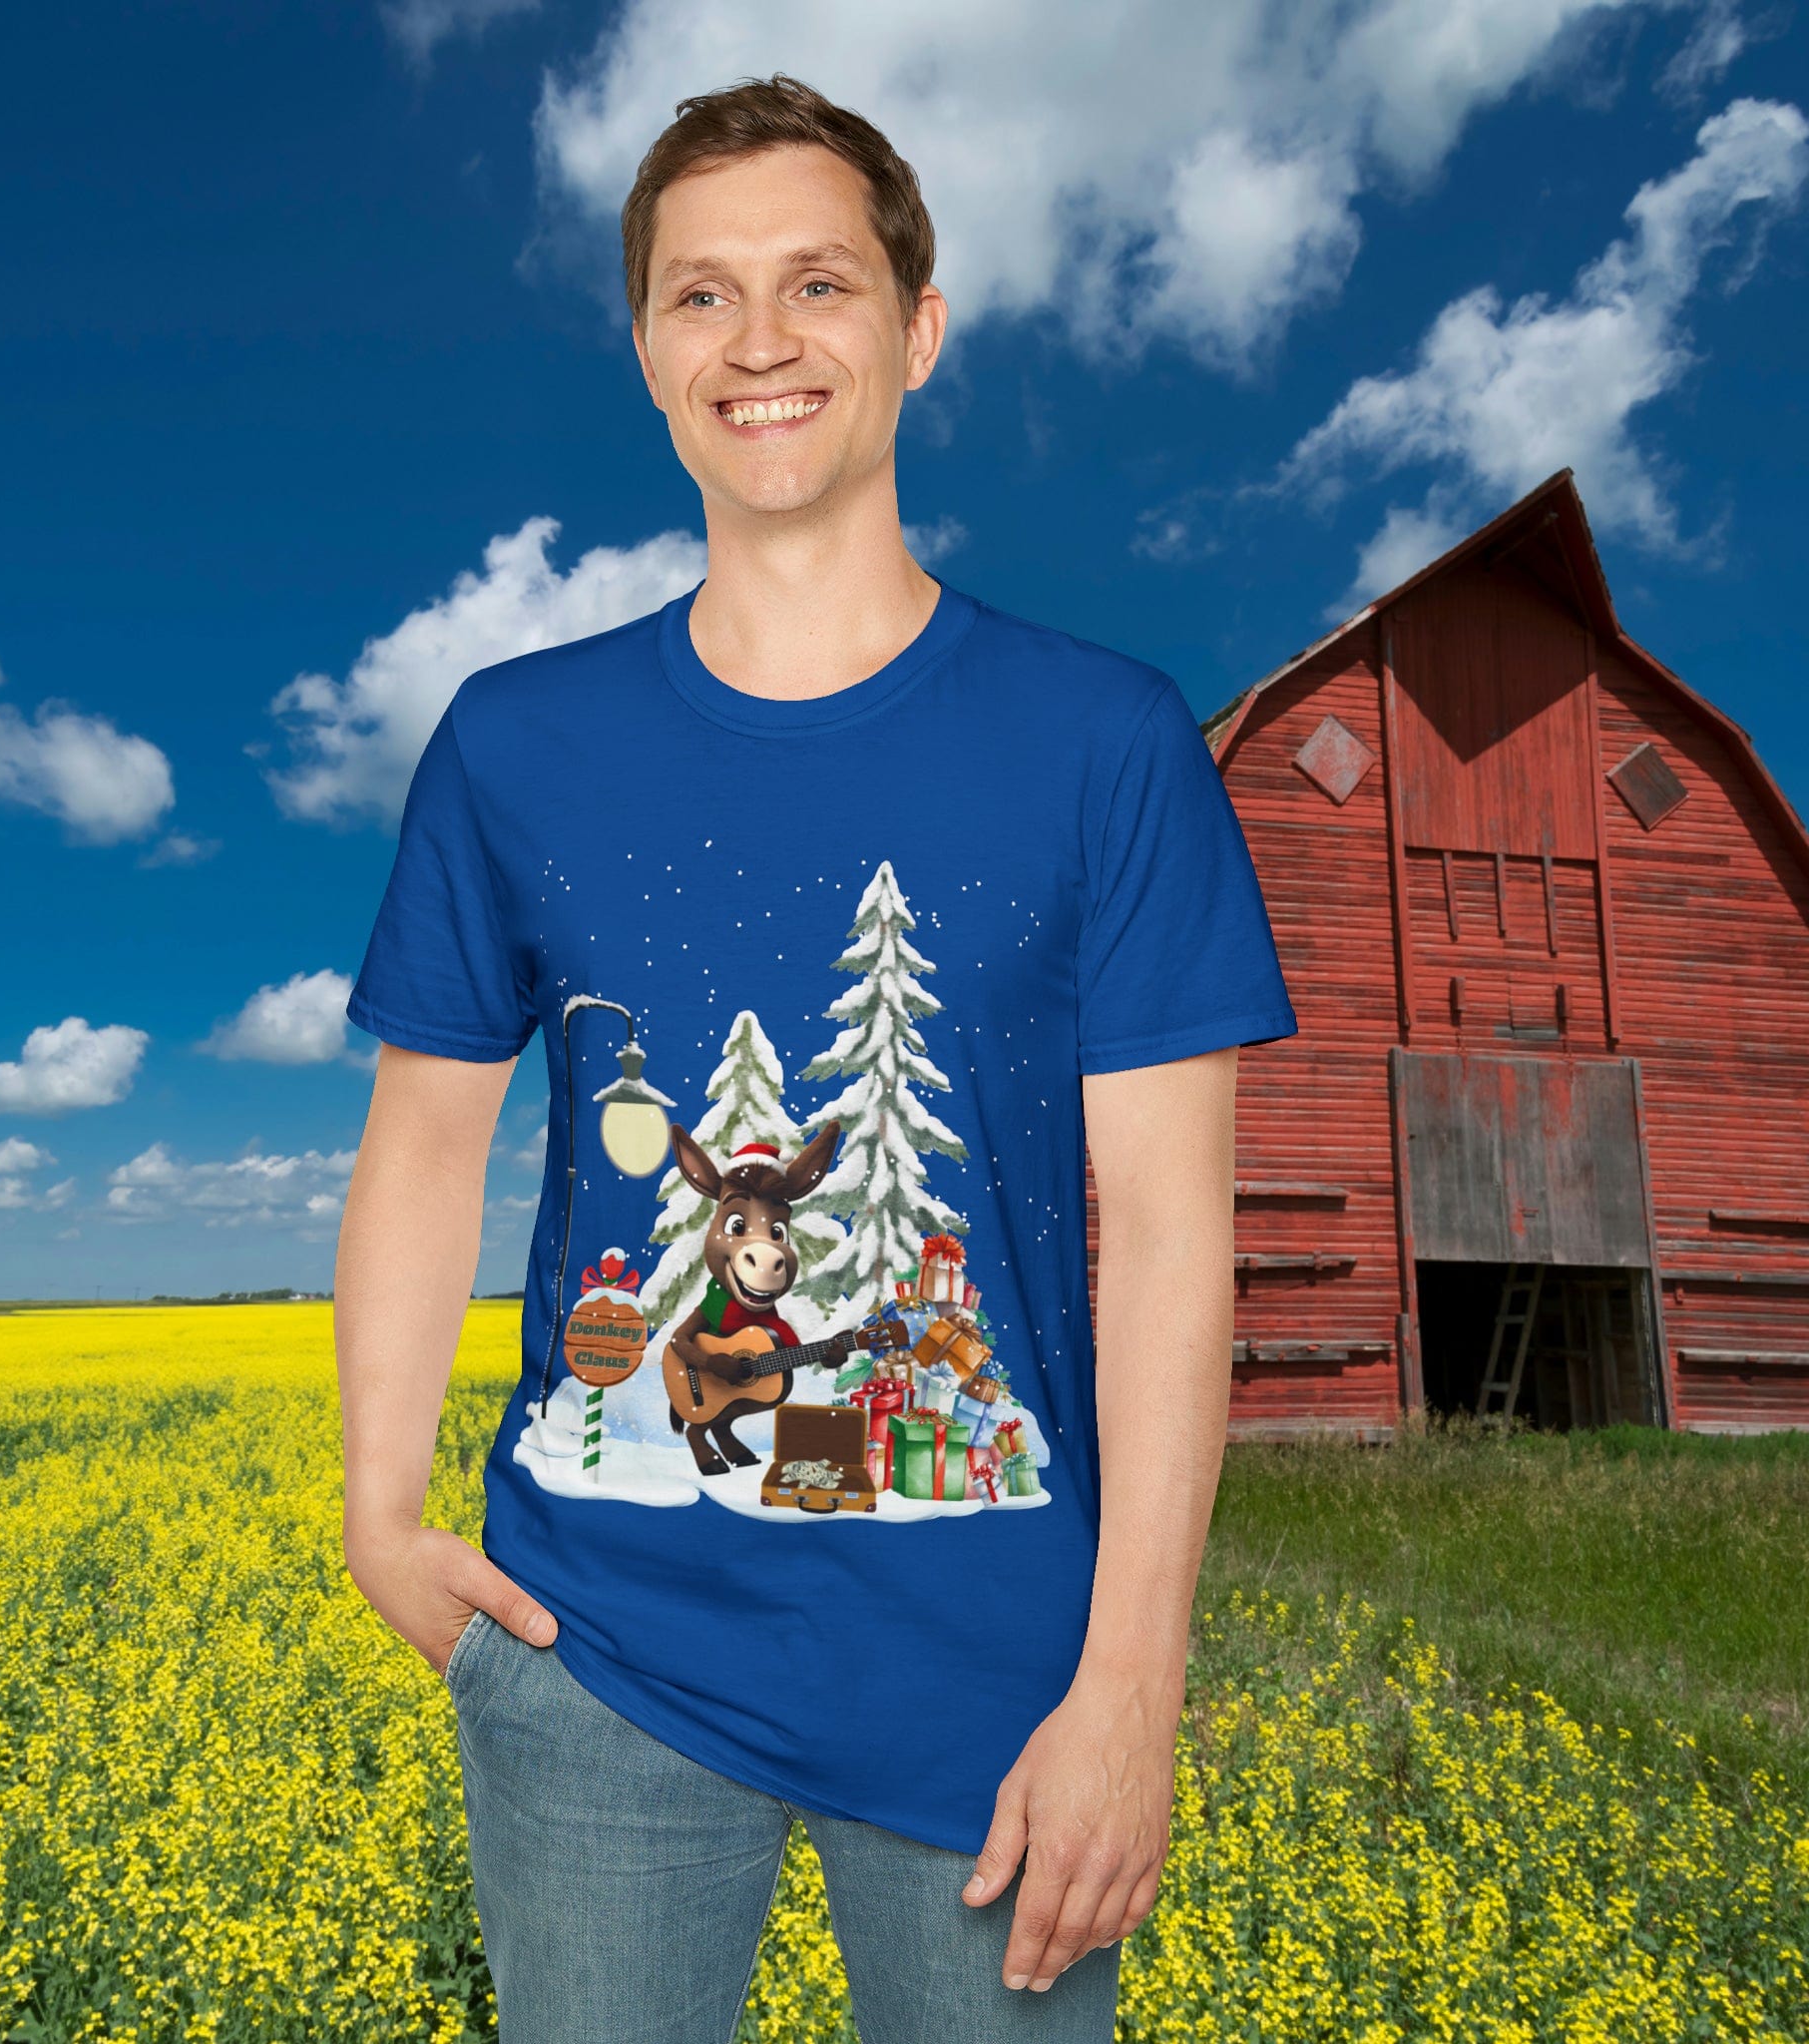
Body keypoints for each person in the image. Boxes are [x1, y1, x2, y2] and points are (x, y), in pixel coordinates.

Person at [336, 73, 1297, 2043]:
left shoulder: (1108, 740)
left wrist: (1132, 1684)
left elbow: (1172, 1231)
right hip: (590, 1660)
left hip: (1007, 1688)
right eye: (700, 296)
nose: (758, 343)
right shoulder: (514, 743)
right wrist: (376, 1503)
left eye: (817, 284)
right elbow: (428, 1142)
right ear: (645, 354)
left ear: (916, 328)